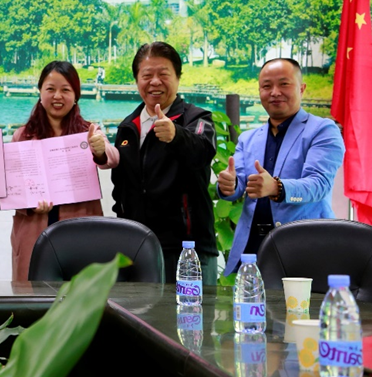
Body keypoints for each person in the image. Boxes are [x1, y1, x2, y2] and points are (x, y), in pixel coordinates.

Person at [217, 58, 345, 275]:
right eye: (266, 86)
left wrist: (277, 188)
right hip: (252, 249)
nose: (275, 92)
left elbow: (318, 184)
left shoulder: (323, 130)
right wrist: (229, 186)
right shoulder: (248, 138)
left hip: (304, 247)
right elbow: (239, 184)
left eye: (284, 84)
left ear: (301, 88)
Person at [109, 42, 218, 283]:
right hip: (135, 248)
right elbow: (121, 187)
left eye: (164, 74)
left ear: (178, 77)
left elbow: (203, 150)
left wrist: (176, 135)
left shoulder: (198, 118)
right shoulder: (128, 127)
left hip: (189, 250)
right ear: (137, 80)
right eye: (147, 75)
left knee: (192, 309)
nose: (155, 82)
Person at [10, 61, 119, 281]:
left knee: (79, 296)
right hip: (33, 230)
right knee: (32, 297)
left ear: (76, 95)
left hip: (79, 230)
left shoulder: (88, 132)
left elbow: (113, 158)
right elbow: (13, 188)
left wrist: (99, 150)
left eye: (65, 90)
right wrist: (30, 204)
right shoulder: (22, 136)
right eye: (50, 89)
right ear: (40, 92)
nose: (57, 96)